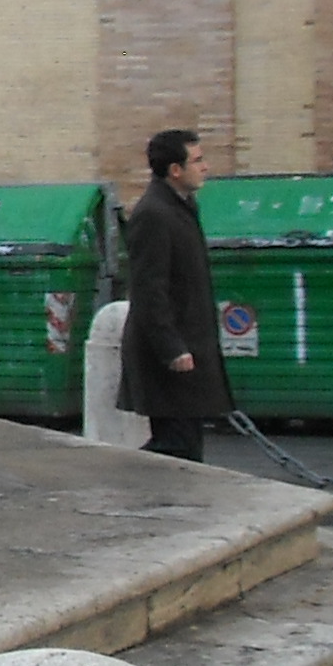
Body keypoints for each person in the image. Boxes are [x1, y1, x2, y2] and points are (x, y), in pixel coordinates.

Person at [120, 127, 231, 461]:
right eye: (197, 160)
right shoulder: (153, 214)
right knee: (176, 449)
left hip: (190, 347)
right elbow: (148, 289)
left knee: (184, 448)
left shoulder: (182, 206)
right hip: (171, 356)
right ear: (175, 170)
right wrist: (172, 348)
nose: (205, 167)